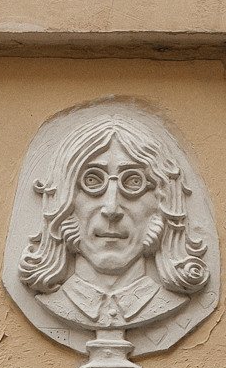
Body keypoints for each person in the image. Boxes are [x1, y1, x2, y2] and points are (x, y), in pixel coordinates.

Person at [16, 116, 212, 334]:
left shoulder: (164, 302)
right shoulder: (56, 302)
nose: (111, 209)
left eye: (133, 182)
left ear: (162, 204)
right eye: (92, 181)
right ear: (63, 201)